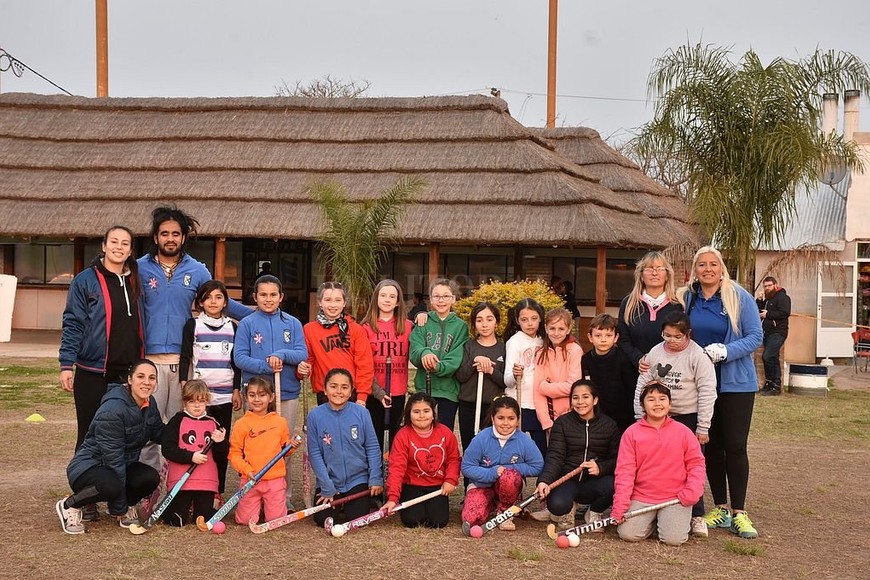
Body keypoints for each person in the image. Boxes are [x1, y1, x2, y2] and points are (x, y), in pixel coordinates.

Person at [138, 206, 250, 468]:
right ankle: (149, 492)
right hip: (149, 360)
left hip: (184, 363)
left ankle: (182, 489)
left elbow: (219, 299)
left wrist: (258, 316)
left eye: (175, 233)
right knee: (149, 427)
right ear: (155, 237)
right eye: (164, 233)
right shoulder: (139, 269)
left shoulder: (198, 270)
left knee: (184, 427)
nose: (170, 238)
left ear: (183, 237)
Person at [680, 246, 763, 539]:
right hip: (700, 384)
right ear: (695, 269)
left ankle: (740, 511)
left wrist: (727, 351)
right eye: (701, 264)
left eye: (713, 264)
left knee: (736, 445)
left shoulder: (740, 297)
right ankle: (721, 507)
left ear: (721, 267)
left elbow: (756, 336)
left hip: (736, 383)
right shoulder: (687, 298)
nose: (707, 269)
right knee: (710, 444)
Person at [59, 226, 143, 455]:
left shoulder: (136, 280)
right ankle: (84, 486)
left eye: (124, 243)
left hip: (127, 372)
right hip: (93, 370)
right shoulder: (85, 280)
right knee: (89, 432)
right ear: (104, 246)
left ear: (130, 250)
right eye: (114, 242)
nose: (119, 247)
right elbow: (73, 322)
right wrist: (66, 364)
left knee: (125, 433)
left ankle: (116, 487)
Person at [56, 359, 164, 534]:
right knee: (111, 485)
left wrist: (184, 427)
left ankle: (126, 504)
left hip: (120, 465)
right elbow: (113, 460)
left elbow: (159, 433)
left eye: (152, 378)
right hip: (89, 467)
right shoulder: (113, 410)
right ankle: (70, 506)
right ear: (130, 379)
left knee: (150, 477)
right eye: (141, 376)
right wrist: (118, 508)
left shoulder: (149, 403)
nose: (146, 382)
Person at [634, 311, 717, 537]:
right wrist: (638, 416)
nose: (671, 340)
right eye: (667, 335)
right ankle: (654, 510)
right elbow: (644, 381)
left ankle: (697, 514)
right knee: (659, 462)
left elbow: (708, 391)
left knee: (692, 466)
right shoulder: (656, 351)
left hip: (688, 416)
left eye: (677, 336)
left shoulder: (698, 355)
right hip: (659, 416)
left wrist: (703, 426)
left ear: (687, 334)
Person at [233, 274, 307, 510]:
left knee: (284, 445)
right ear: (255, 297)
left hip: (285, 392)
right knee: (254, 445)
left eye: (273, 294)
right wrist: (267, 365)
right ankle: (251, 494)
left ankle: (281, 498)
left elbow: (301, 353)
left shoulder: (293, 324)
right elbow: (240, 358)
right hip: (256, 394)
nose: (268, 299)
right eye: (263, 294)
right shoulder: (246, 324)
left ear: (281, 297)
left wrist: (282, 356)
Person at [613, 382, 706, 546]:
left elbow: (696, 464)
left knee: (673, 539)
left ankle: (667, 521)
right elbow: (625, 472)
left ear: (670, 404)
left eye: (662, 399)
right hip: (642, 496)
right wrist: (620, 505)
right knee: (628, 534)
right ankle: (654, 521)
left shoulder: (684, 432)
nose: (657, 404)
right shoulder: (631, 433)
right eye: (651, 399)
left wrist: (692, 492)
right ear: (642, 405)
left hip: (675, 498)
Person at [179, 279, 241, 501]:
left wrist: (236, 390)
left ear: (225, 301)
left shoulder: (233, 327)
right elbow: (185, 356)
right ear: (200, 302)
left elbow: (236, 363)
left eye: (218, 297)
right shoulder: (193, 325)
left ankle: (217, 491)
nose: (213, 301)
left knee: (221, 446)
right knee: (199, 444)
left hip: (224, 396)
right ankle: (196, 487)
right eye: (208, 297)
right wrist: (184, 385)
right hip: (200, 397)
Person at [535, 380, 620, 530]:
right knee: (558, 505)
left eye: (585, 397)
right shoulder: (562, 423)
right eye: (575, 397)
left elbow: (617, 459)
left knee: (615, 485)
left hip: (594, 482)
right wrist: (544, 481)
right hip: (568, 480)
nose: (580, 402)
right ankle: (568, 508)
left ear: (595, 400)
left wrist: (601, 467)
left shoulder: (609, 425)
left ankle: (594, 512)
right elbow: (555, 456)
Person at [307, 368, 384, 527]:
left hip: (357, 480)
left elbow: (372, 447)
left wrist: (375, 477)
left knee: (357, 519)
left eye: (344, 387)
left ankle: (351, 504)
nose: (339, 391)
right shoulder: (315, 416)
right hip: (330, 480)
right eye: (333, 386)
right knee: (323, 519)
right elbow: (314, 453)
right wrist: (326, 484)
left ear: (351, 391)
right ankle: (335, 501)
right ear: (325, 389)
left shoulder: (362, 413)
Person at [460, 396, 544, 531]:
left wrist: (508, 469)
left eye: (511, 419)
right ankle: (490, 503)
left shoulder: (523, 440)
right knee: (471, 519)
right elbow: (466, 467)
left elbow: (537, 466)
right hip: (481, 485)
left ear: (517, 420)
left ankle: (506, 511)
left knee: (509, 477)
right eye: (501, 418)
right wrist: (492, 472)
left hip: (508, 485)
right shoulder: (481, 438)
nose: (506, 423)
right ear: (493, 418)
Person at [384, 393, 461, 528]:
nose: (422, 415)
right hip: (412, 484)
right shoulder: (402, 435)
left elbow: (453, 459)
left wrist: (450, 480)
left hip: (437, 486)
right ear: (409, 413)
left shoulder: (445, 432)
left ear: (433, 413)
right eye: (416, 412)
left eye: (426, 411)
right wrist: (392, 498)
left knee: (438, 522)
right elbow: (397, 467)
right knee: (412, 520)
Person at [160, 380, 226, 526]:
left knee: (204, 519)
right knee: (177, 521)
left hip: (206, 481)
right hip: (182, 481)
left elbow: (221, 457)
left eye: (201, 401)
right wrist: (190, 457)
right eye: (192, 401)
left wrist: (221, 443)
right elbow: (167, 449)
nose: (197, 405)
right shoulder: (177, 421)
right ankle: (169, 510)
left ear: (207, 401)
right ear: (185, 402)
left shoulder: (213, 423)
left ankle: (209, 508)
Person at [298, 282, 374, 407]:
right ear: (320, 302)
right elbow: (308, 361)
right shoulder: (309, 329)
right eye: (328, 300)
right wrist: (302, 370)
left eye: (338, 300)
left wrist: (362, 396)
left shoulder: (356, 329)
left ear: (344, 303)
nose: (333, 305)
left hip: (351, 392)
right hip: (325, 392)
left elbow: (365, 364)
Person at [228, 375, 291, 525]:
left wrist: (292, 445)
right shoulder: (241, 424)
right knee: (244, 521)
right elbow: (234, 453)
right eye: (252, 395)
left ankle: (269, 508)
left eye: (262, 395)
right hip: (251, 479)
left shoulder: (280, 422)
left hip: (274, 480)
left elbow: (286, 451)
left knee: (275, 521)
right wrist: (246, 470)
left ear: (271, 397)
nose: (257, 399)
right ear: (246, 397)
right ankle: (256, 508)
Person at [409, 278, 469, 431]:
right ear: (430, 299)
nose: (441, 300)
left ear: (453, 299)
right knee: (422, 430)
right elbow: (415, 348)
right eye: (436, 296)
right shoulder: (423, 322)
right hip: (424, 387)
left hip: (448, 391)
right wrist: (424, 353)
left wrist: (437, 366)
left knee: (443, 431)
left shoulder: (461, 326)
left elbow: (457, 357)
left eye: (446, 296)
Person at [362, 279, 413, 450]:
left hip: (397, 389)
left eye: (392, 296)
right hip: (373, 391)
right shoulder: (366, 327)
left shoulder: (407, 326)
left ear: (398, 301)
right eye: (383, 295)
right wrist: (377, 391)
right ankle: (375, 472)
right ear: (376, 298)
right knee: (373, 434)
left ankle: (392, 472)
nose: (387, 299)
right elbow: (363, 364)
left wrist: (424, 316)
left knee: (395, 435)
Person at [617, 251, 684, 372]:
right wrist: (638, 359)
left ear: (667, 275)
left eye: (659, 268)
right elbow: (623, 340)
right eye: (649, 269)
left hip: (671, 372)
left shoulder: (678, 304)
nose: (654, 273)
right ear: (641, 276)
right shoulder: (628, 304)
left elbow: (684, 338)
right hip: (635, 371)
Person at [455, 302, 506, 453]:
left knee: (491, 449)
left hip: (493, 406)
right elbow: (461, 376)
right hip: (468, 405)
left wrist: (490, 370)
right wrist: (474, 360)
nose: (484, 324)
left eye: (489, 319)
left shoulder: (503, 348)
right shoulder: (468, 346)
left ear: (497, 322)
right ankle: (470, 477)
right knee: (470, 447)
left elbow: (504, 381)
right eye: (479, 320)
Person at [503, 298, 547, 458]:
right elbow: (507, 380)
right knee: (514, 448)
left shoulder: (545, 340)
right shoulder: (514, 342)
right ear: (517, 320)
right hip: (519, 401)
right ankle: (513, 480)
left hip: (539, 402)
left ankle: (543, 481)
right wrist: (515, 375)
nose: (529, 323)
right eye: (524, 319)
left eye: (534, 318)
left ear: (541, 318)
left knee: (541, 448)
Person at [581, 313, 638, 433]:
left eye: (608, 335)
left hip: (621, 417)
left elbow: (631, 389)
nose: (603, 339)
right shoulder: (586, 360)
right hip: (596, 416)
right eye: (598, 335)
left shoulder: (623, 359)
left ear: (616, 337)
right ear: (590, 337)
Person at [532, 307, 583, 432]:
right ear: (546, 328)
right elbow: (537, 392)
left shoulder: (575, 350)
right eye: (552, 328)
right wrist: (546, 422)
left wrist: (546, 388)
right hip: (550, 417)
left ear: (569, 329)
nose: (556, 333)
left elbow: (573, 386)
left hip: (572, 416)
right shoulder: (540, 353)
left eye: (561, 329)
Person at [756, 276, 791, 396]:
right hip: (768, 332)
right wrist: (760, 301)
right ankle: (771, 384)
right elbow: (760, 312)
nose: (767, 288)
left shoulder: (783, 297)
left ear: (775, 285)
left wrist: (768, 314)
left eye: (769, 285)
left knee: (767, 356)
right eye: (765, 286)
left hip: (778, 332)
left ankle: (775, 384)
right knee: (773, 358)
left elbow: (785, 312)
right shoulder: (768, 299)